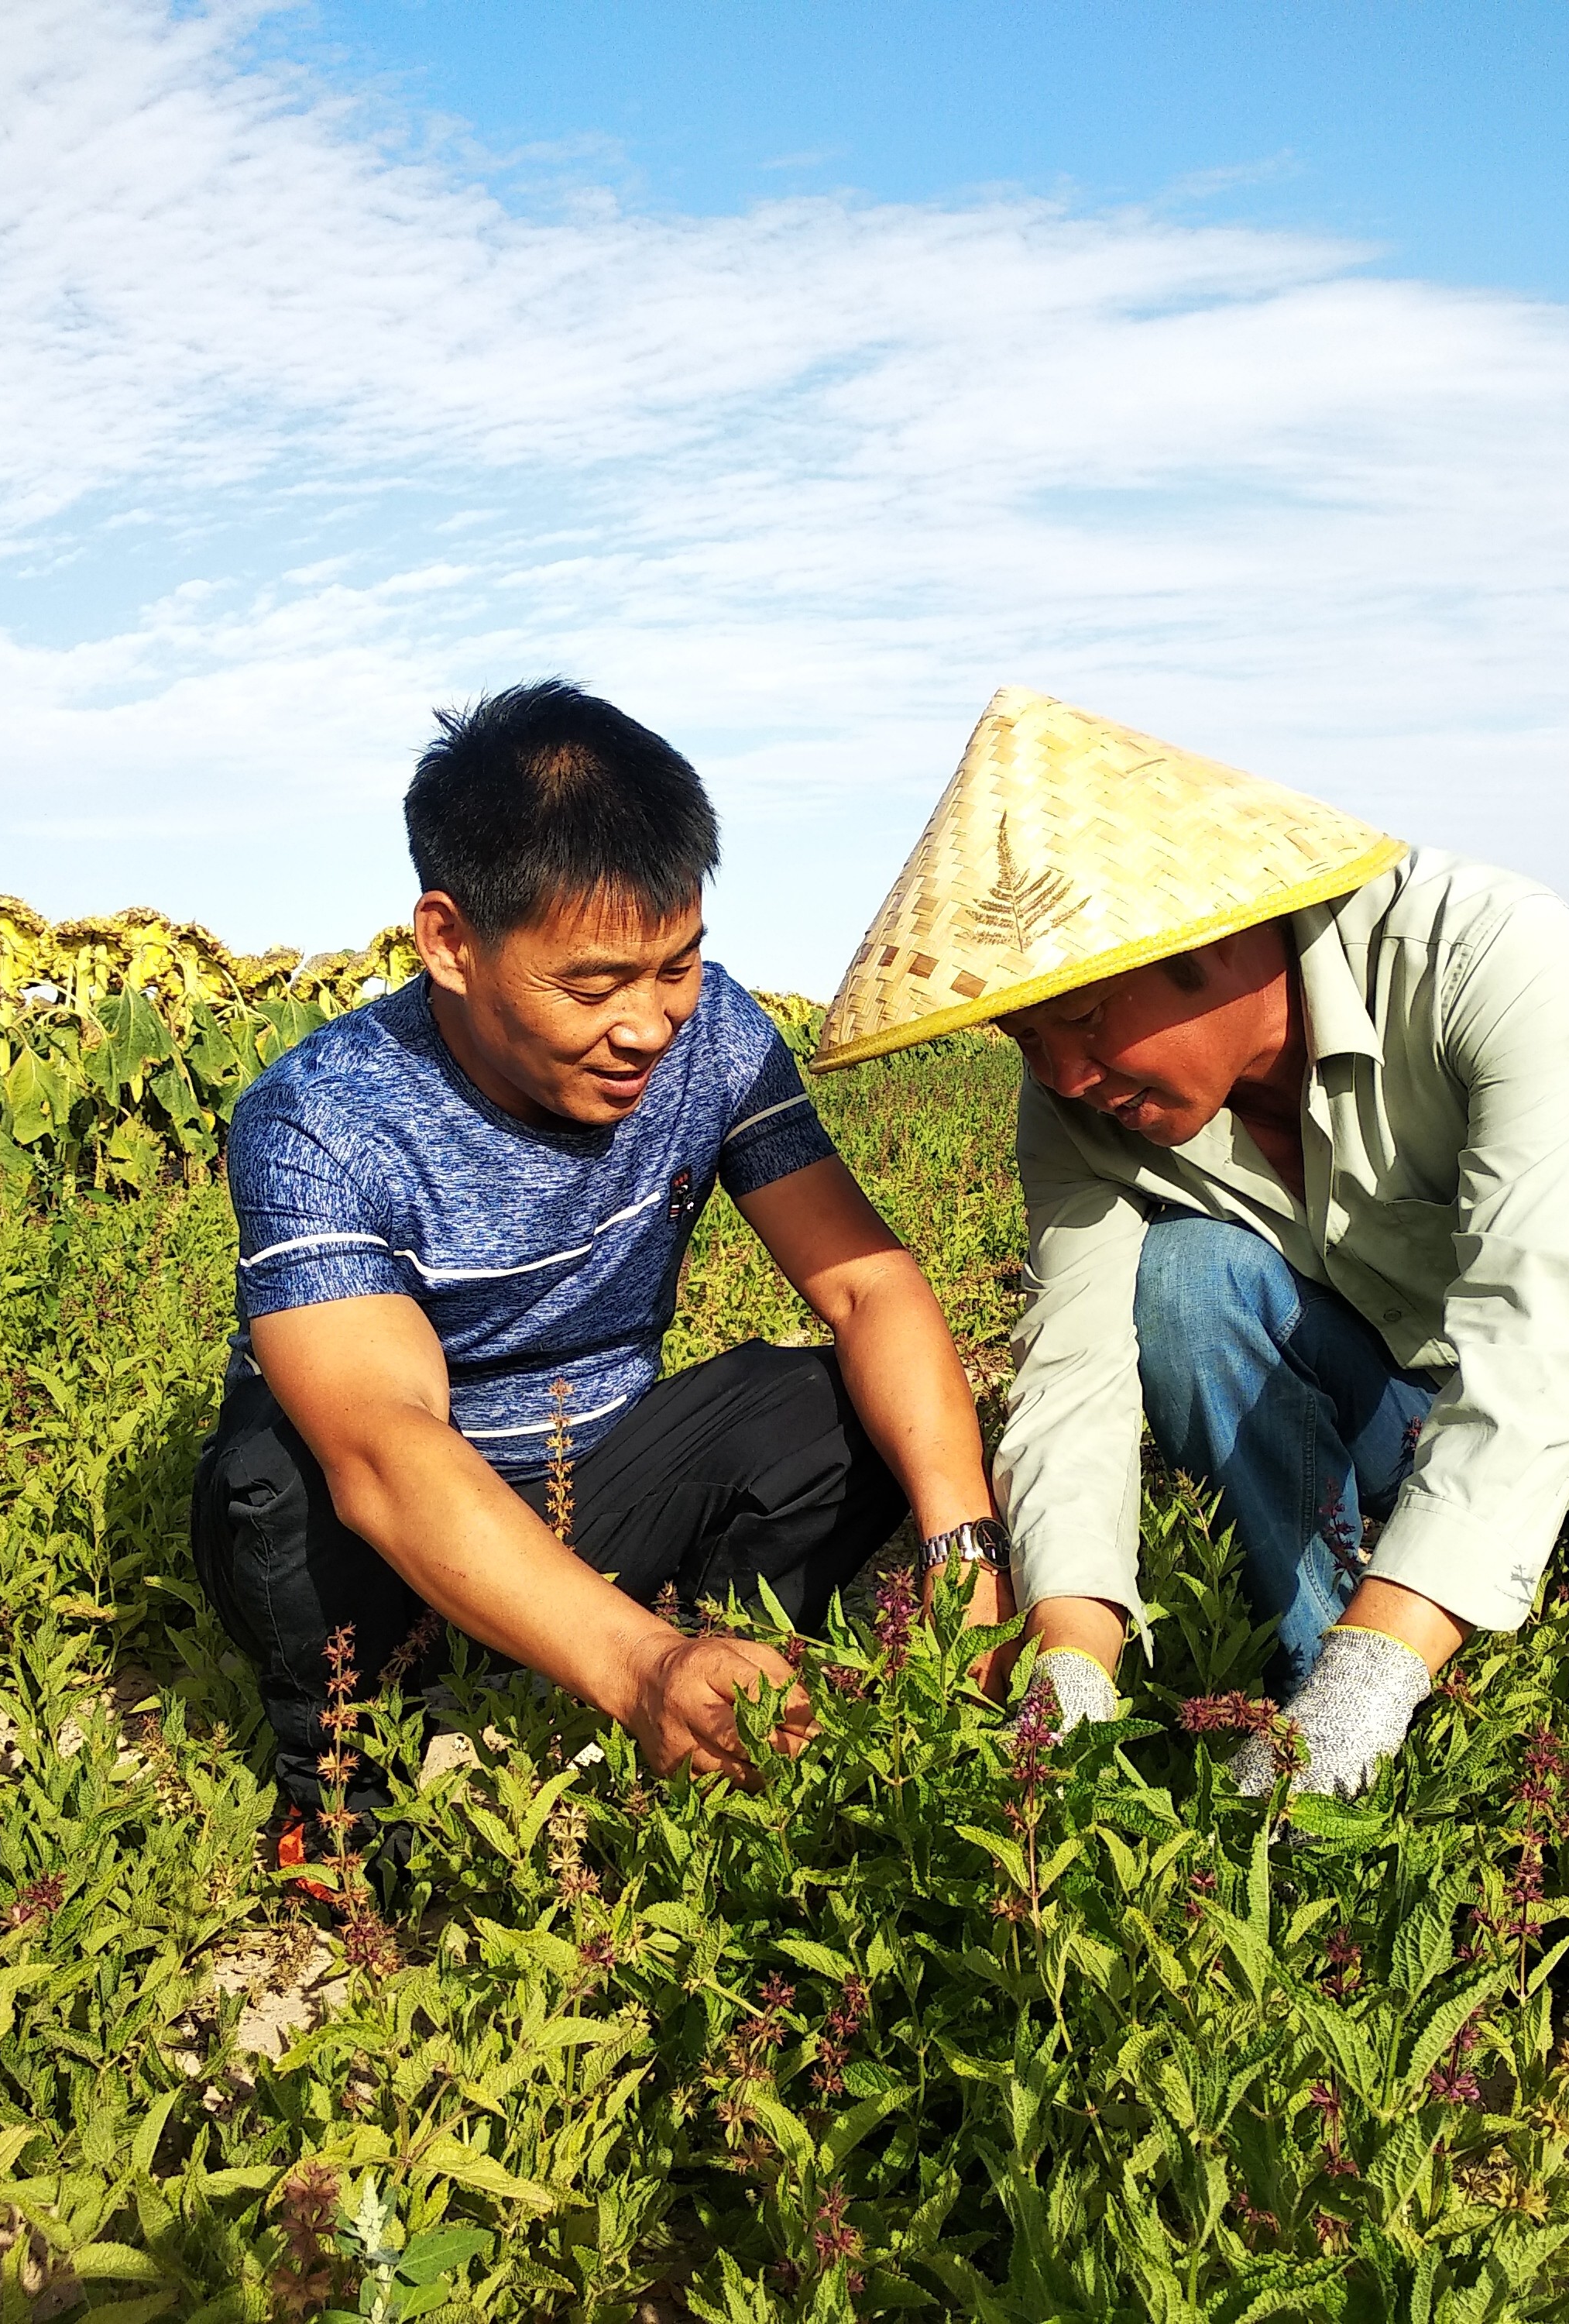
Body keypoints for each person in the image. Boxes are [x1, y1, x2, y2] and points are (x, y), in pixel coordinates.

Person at [810, 687, 1569, 1796]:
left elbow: (1542, 1323)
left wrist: (1379, 1676)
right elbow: (1073, 1380)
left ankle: (1407, 1647)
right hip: (1412, 1383)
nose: (1061, 1075)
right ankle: (1325, 1685)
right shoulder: (1077, 1107)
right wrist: (1071, 1659)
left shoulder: (1487, 949)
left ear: (1218, 932)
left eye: (1085, 1018)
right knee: (1188, 1281)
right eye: (1026, 1035)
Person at [192, 680, 1004, 1861]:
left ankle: (720, 1680)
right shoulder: (322, 1119)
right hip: (394, 1523)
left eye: (676, 964)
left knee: (837, 1408)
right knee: (282, 1480)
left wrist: (962, 1542)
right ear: (451, 942)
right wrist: (641, 1669)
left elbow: (866, 1285)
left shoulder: (715, 1037)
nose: (649, 1023)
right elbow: (380, 1443)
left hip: (599, 1476)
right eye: (592, 985)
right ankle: (345, 1796)